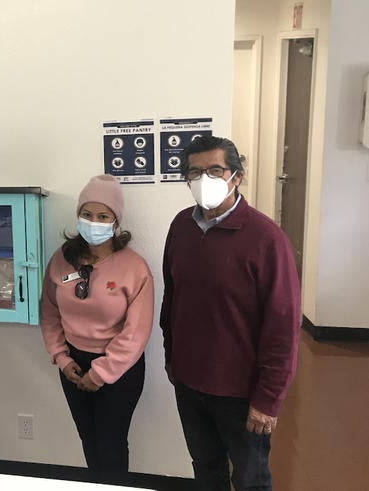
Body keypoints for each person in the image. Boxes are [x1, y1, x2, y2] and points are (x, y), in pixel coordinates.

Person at [160, 135, 301, 491]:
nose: (203, 179)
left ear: (236, 176)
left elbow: (283, 326)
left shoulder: (267, 239)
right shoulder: (180, 227)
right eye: (194, 172)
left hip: (242, 392)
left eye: (215, 170)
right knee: (206, 470)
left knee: (251, 479)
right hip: (189, 383)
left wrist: (268, 399)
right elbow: (172, 299)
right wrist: (172, 359)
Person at [40, 174, 153, 485]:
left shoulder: (134, 267)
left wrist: (102, 372)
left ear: (116, 221)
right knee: (88, 441)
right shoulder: (62, 260)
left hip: (119, 368)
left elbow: (137, 331)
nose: (94, 222)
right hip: (73, 364)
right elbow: (49, 312)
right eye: (86, 214)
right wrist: (61, 359)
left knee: (111, 444)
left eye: (103, 216)